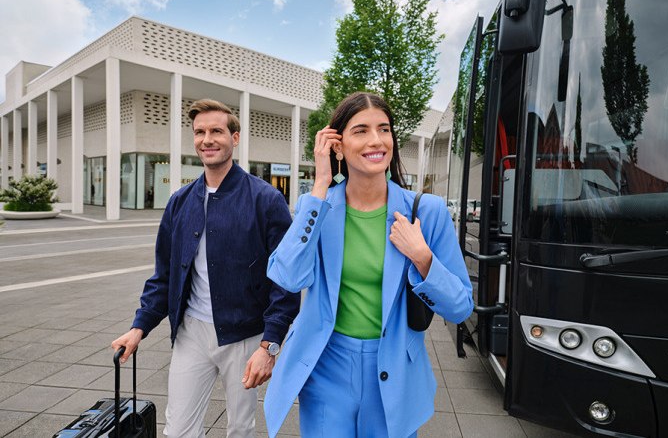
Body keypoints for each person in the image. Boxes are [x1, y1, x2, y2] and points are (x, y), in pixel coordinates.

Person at [263, 92, 474, 437]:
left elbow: (461, 307)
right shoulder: (315, 206)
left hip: (395, 370)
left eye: (384, 129)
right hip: (326, 367)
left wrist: (423, 258)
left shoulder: (427, 212)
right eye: (360, 130)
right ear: (338, 145)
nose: (376, 140)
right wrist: (319, 185)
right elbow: (288, 276)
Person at [112, 99, 300, 438]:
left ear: (235, 138)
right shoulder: (179, 202)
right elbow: (164, 275)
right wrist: (139, 327)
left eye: (216, 131)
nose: (207, 139)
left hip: (244, 335)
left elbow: (286, 281)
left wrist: (269, 345)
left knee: (241, 428)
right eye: (200, 132)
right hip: (191, 332)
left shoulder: (266, 200)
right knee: (178, 429)